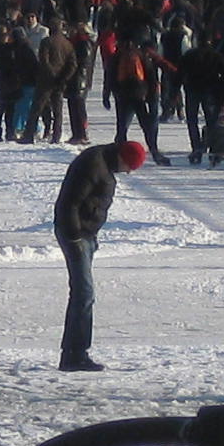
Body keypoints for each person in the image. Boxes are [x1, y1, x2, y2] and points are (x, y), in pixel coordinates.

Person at [55, 138, 145, 372]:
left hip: (85, 234)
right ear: (123, 158)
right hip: (75, 235)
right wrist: (75, 236)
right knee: (84, 293)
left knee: (82, 294)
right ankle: (75, 355)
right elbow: (70, 203)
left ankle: (73, 353)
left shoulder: (104, 163)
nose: (127, 172)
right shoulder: (94, 165)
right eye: (129, 167)